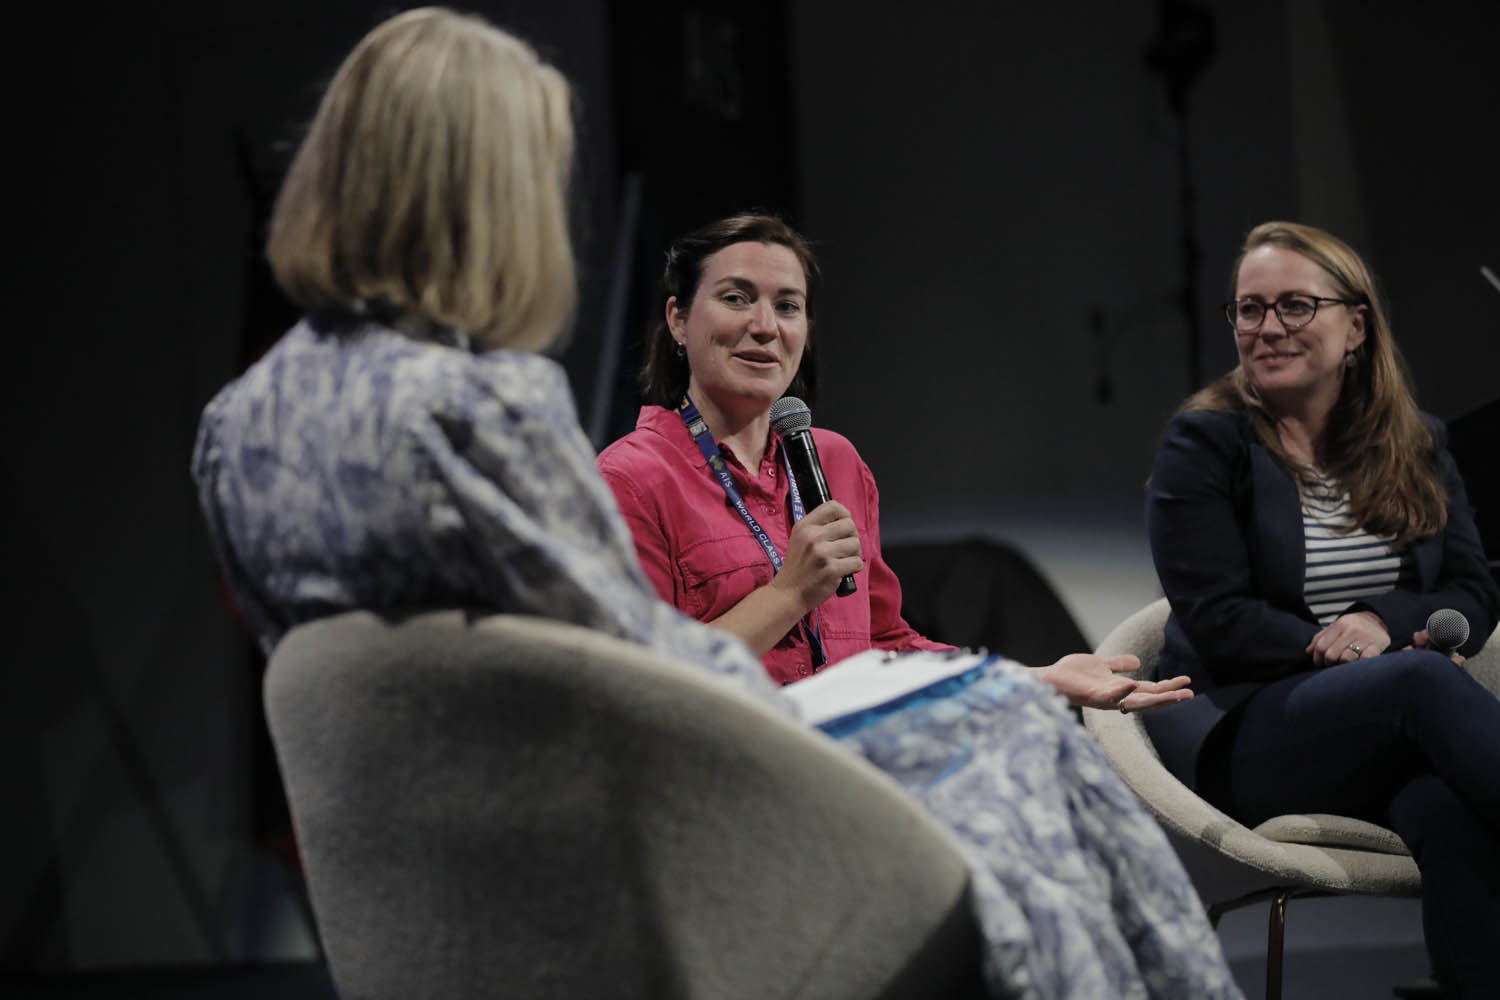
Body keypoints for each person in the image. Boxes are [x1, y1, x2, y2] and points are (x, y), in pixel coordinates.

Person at [192, 9, 1239, 996]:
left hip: (435, 881)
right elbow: (635, 669)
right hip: (657, 846)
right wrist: (859, 668)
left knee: (1012, 709)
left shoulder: (238, 423)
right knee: (1022, 750)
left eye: (790, 305)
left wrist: (980, 677)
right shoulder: (483, 405)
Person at [598, 212, 1194, 712]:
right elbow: (648, 687)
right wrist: (787, 595)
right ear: (678, 319)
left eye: (788, 306)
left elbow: (888, 643)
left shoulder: (834, 461)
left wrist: (1038, 679)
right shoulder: (631, 478)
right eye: (736, 298)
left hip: (866, 758)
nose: (764, 326)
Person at [1145, 220, 1500, 996]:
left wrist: (1377, 618)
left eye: (1295, 306)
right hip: (1249, 728)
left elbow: (1473, 590)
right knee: (1421, 683)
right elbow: (1216, 617)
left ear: (1356, 326)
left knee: (1446, 805)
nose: (1267, 328)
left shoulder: (1418, 443)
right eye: (1249, 309)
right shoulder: (1205, 444)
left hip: (1384, 728)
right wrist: (1341, 649)